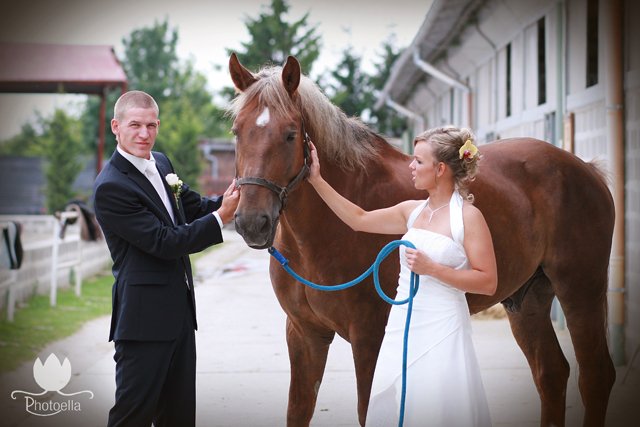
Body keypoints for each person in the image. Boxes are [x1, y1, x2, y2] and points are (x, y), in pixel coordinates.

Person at [307, 126, 497, 426]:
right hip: (402, 325)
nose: (411, 166)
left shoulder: (468, 218)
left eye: (418, 161)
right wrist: (316, 180)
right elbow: (358, 219)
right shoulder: (412, 211)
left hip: (443, 326)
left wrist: (434, 269)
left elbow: (487, 282)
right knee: (395, 403)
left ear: (441, 169)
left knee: (438, 407)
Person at [93, 90, 240, 427]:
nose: (144, 134)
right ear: (116, 126)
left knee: (179, 416)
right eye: (135, 125)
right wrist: (222, 219)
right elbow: (164, 242)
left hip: (180, 317)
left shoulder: (161, 163)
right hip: (143, 324)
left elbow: (192, 206)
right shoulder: (111, 187)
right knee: (132, 416)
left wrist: (237, 197)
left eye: (151, 125)